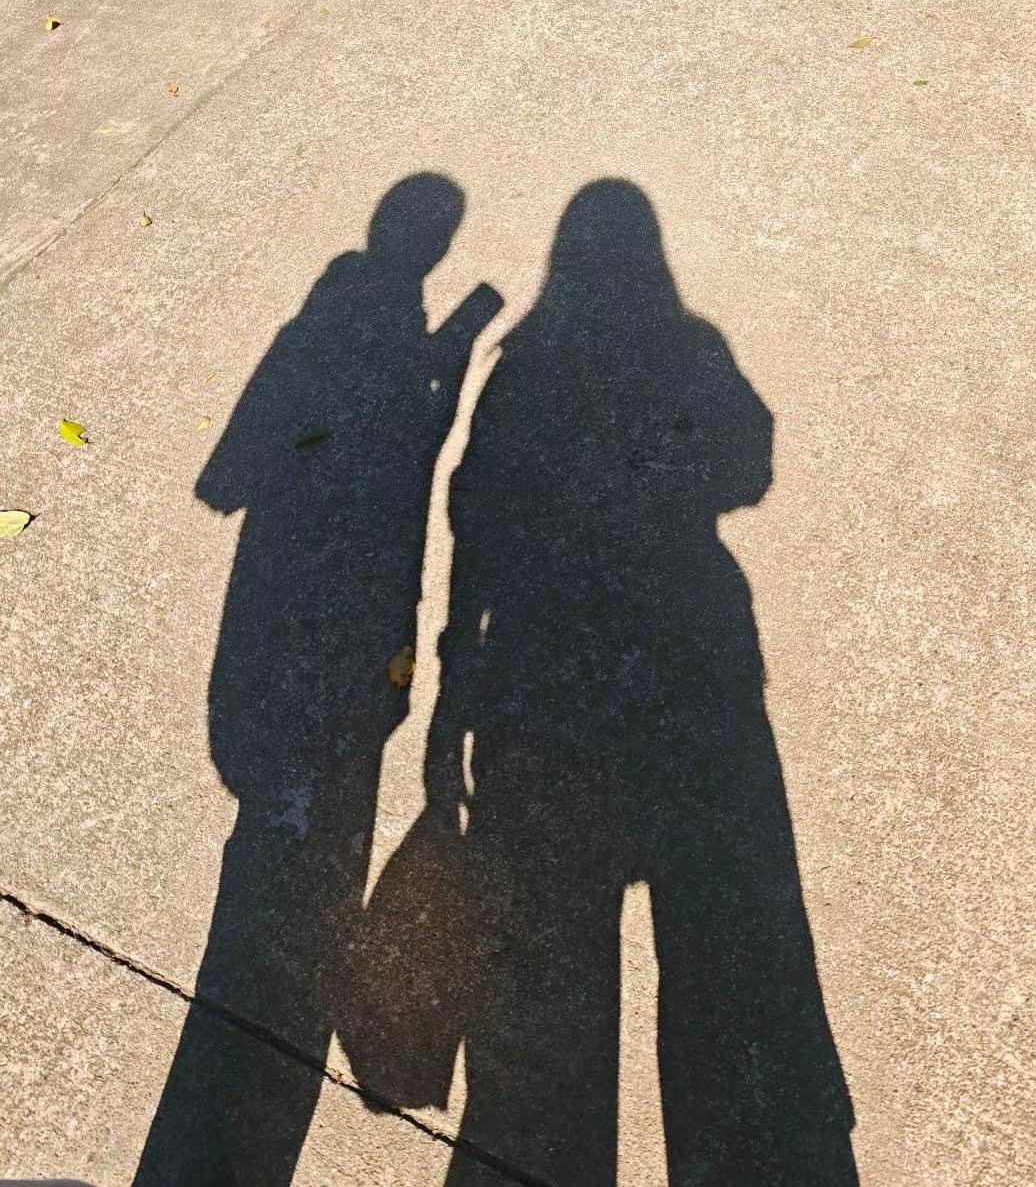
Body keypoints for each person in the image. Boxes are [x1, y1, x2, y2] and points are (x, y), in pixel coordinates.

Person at [424, 179, 858, 1185]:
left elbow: (472, 517)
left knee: (555, 978)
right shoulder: (689, 347)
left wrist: (456, 678)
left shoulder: (522, 367)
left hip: (545, 681)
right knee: (720, 957)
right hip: (688, 667)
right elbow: (750, 465)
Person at [134, 173, 501, 1186]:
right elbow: (233, 478)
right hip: (347, 640)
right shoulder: (354, 309)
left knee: (274, 867)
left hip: (270, 657)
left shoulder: (331, 307)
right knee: (296, 857)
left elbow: (225, 479)